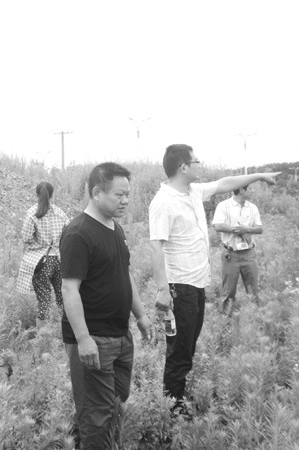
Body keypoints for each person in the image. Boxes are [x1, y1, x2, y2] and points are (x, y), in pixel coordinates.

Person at [148, 144, 279, 417]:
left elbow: (225, 183)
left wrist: (258, 175)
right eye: (196, 161)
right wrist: (162, 289)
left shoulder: (193, 191)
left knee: (188, 346)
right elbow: (156, 246)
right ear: (184, 167)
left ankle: (177, 399)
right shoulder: (163, 201)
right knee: (179, 351)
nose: (200, 164)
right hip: (179, 287)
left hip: (196, 285)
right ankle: (173, 411)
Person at [60, 162, 152, 449]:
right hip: (94, 339)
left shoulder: (115, 228)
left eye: (128, 195)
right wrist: (83, 339)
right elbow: (69, 289)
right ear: (97, 192)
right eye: (119, 195)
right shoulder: (78, 233)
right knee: (96, 415)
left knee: (114, 403)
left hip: (120, 335)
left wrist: (140, 314)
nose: (125, 201)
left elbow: (124, 274)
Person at [17, 181, 69, 329]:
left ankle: (42, 336)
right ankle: (64, 331)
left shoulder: (32, 213)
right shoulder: (60, 213)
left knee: (44, 300)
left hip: (40, 261)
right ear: (52, 194)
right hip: (59, 259)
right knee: (63, 298)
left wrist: (39, 244)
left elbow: (26, 237)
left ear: (36, 194)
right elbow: (69, 234)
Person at [212, 185, 263, 316]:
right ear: (241, 190)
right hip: (231, 254)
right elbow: (218, 225)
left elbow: (259, 228)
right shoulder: (224, 206)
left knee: (253, 290)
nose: (253, 191)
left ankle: (254, 319)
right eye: (250, 189)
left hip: (248, 254)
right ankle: (226, 320)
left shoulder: (252, 208)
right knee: (228, 292)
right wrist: (238, 230)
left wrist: (247, 229)